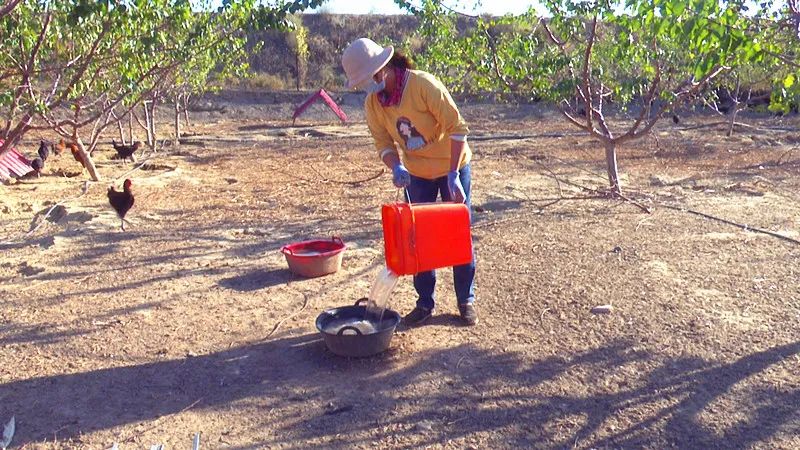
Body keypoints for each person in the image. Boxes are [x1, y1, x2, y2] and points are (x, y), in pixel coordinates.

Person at [341, 38, 478, 326]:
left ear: (385, 68)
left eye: (371, 77)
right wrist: (396, 166)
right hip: (417, 174)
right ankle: (424, 303)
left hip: (452, 165)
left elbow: (457, 128)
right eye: (364, 81)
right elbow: (384, 143)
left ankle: (466, 299)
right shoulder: (373, 104)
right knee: (418, 240)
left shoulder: (423, 85)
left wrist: (453, 173)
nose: (370, 85)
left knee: (457, 233)